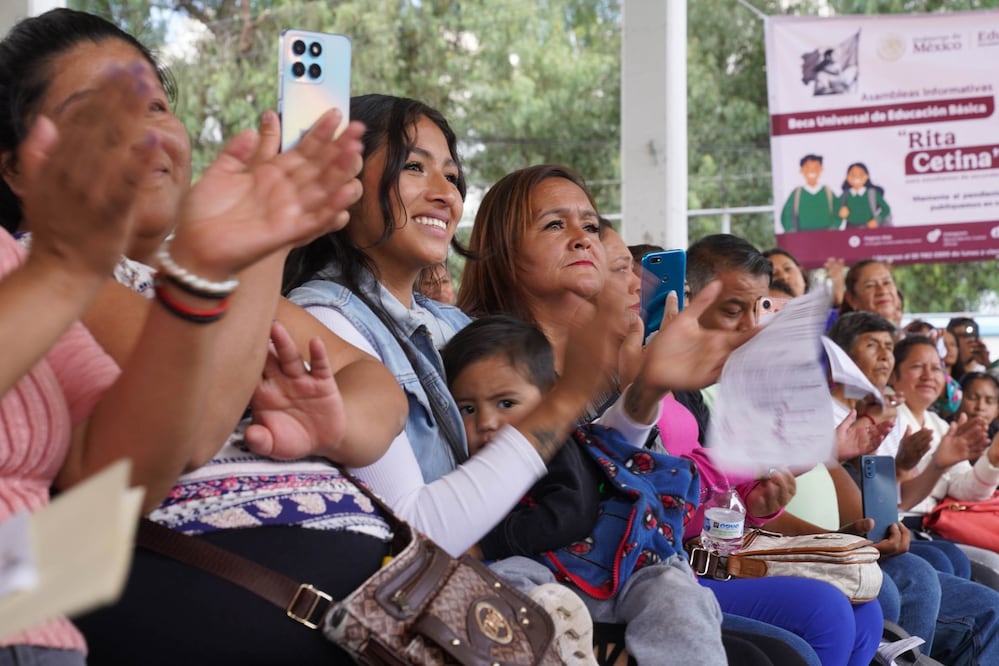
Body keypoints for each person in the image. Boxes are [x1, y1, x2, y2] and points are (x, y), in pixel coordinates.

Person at [0, 10, 417, 665]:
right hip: (209, 577)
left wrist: (325, 427)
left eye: (156, 105)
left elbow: (381, 394)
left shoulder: (213, 277)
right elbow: (193, 416)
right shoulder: (33, 269)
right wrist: (260, 248)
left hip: (368, 584)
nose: (142, 132)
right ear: (19, 167)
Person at [458, 167, 874, 666]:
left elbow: (662, 493)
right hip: (555, 565)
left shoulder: (620, 360)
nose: (580, 240)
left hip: (645, 558)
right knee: (808, 627)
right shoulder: (487, 359)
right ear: (503, 249)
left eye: (590, 225)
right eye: (554, 225)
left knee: (863, 606)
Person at [441, 315, 726, 665]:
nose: (486, 423)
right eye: (467, 409)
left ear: (551, 402)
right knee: (504, 581)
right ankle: (557, 637)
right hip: (556, 585)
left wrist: (485, 543)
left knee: (673, 596)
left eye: (505, 403)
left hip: (627, 570)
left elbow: (569, 513)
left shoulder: (557, 448)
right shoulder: (474, 471)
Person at [824, 312, 999, 662]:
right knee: (921, 573)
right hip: (867, 538)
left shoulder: (890, 416)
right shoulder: (859, 414)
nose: (885, 356)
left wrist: (948, 462)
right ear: (839, 355)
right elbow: (877, 508)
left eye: (889, 347)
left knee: (944, 561)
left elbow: (890, 502)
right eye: (873, 346)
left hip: (887, 532)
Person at [778, 154, 839, 232]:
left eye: (816, 168)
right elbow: (786, 214)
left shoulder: (827, 191)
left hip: (826, 235)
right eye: (807, 168)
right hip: (803, 236)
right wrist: (791, 230)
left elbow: (838, 210)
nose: (812, 171)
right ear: (801, 170)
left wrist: (834, 226)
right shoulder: (797, 193)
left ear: (821, 170)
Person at [837, 162, 891, 228]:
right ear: (847, 177)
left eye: (860, 174)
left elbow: (886, 209)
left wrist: (877, 220)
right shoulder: (846, 195)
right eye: (853, 175)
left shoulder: (872, 194)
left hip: (869, 228)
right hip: (851, 228)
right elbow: (834, 208)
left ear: (866, 177)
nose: (856, 177)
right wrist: (840, 212)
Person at [958, 371, 999, 440]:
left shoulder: (996, 437)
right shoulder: (941, 428)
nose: (980, 407)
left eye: (989, 401)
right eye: (972, 398)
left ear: (997, 410)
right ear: (958, 398)